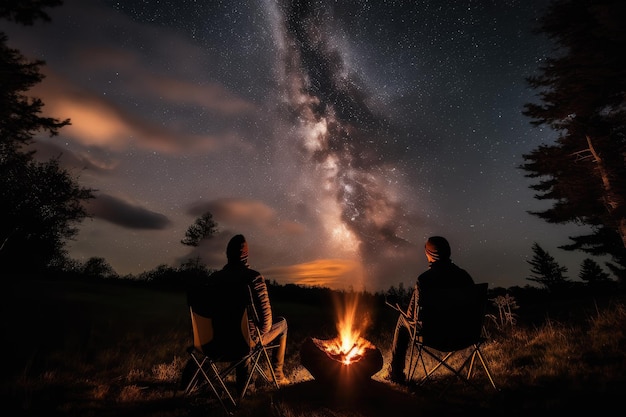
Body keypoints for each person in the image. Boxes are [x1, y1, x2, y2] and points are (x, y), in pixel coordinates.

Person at [182, 234, 290, 394]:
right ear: (246, 255)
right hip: (241, 344)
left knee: (240, 331)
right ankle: (277, 375)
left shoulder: (214, 279)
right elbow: (266, 324)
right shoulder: (254, 278)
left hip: (211, 344)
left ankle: (239, 380)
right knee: (282, 324)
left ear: (228, 255)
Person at [386, 236, 474, 384]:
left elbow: (413, 318)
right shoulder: (465, 276)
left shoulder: (425, 280)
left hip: (435, 337)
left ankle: (395, 374)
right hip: (466, 335)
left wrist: (398, 306)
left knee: (402, 321)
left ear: (429, 254)